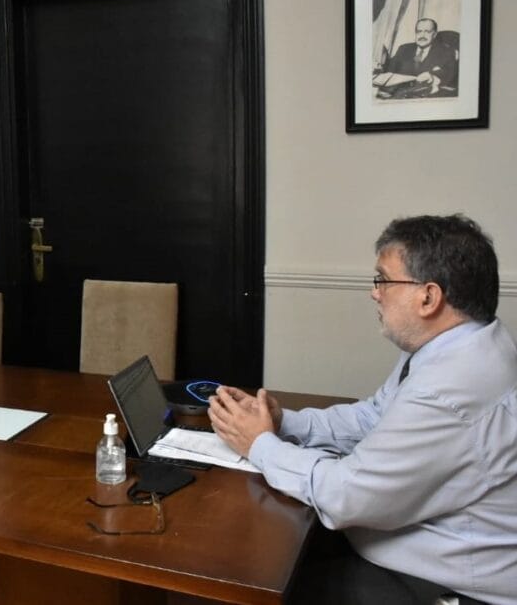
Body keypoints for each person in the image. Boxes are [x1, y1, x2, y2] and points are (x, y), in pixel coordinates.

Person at [208, 215, 516, 605]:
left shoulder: (450, 389)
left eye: (383, 280)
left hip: (446, 585)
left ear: (428, 297)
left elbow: (345, 497)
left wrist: (260, 445)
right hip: (411, 551)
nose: (375, 293)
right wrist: (286, 422)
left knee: (257, 575)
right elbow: (372, 417)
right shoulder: (456, 347)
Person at [379, 18, 458, 98]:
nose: (422, 36)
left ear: (434, 34)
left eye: (427, 32)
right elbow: (389, 71)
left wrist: (433, 76)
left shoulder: (446, 52)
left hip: (428, 99)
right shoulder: (404, 48)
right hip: (399, 96)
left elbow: (449, 74)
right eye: (419, 31)